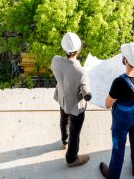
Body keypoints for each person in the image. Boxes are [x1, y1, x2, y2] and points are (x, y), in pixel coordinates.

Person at [99, 42, 134, 179]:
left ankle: (114, 175)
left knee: (118, 147)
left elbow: (107, 104)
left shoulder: (119, 82)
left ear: (125, 61)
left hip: (122, 120)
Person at [50, 32, 92, 167]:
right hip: (75, 105)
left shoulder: (55, 60)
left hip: (62, 98)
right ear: (78, 50)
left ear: (64, 50)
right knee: (75, 131)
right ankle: (71, 158)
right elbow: (87, 95)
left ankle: (64, 141)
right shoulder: (81, 71)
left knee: (64, 119)